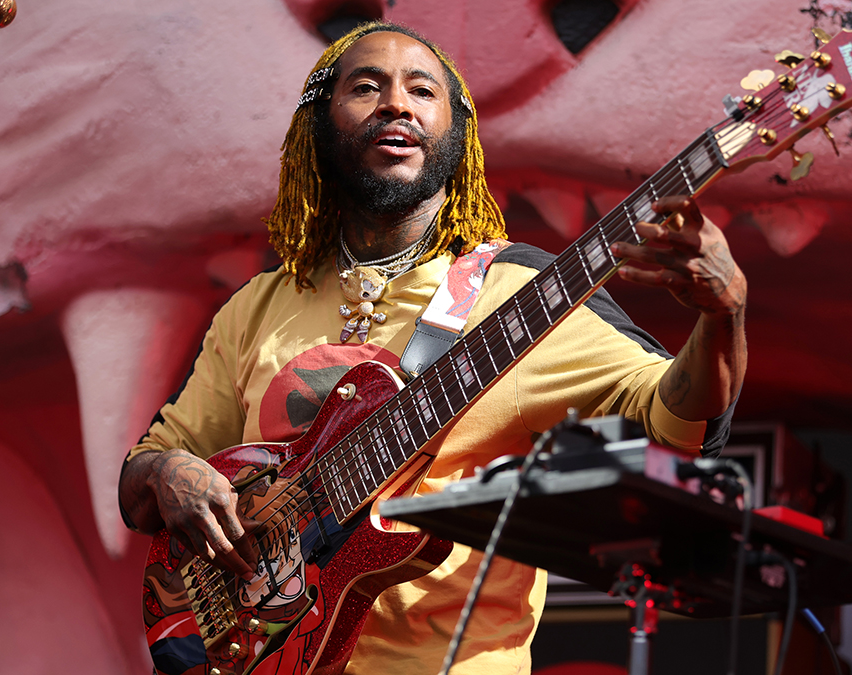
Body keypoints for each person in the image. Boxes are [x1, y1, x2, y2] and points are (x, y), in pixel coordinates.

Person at [118, 20, 747, 675]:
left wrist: (724, 315)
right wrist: (166, 474)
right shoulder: (255, 307)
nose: (397, 103)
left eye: (423, 90)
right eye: (366, 86)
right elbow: (145, 479)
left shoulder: (520, 293)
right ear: (319, 125)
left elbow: (683, 428)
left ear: (458, 134)